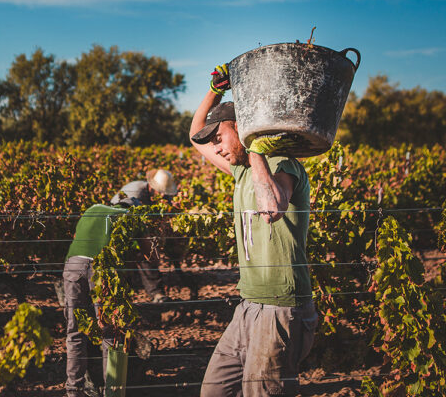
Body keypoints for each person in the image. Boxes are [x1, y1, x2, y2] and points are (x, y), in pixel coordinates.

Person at [189, 64, 317, 397]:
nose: (216, 148)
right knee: (214, 391)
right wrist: (216, 90)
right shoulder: (241, 172)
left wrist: (255, 145)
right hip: (248, 305)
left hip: (281, 308)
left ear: (241, 129)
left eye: (220, 138)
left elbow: (272, 208)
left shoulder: (280, 164)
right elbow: (194, 135)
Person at [63, 169, 177, 397]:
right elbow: (152, 258)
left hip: (72, 266)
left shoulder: (93, 209)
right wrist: (154, 238)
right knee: (111, 332)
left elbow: (79, 240)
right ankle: (112, 391)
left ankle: (72, 390)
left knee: (75, 333)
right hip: (101, 270)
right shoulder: (132, 217)